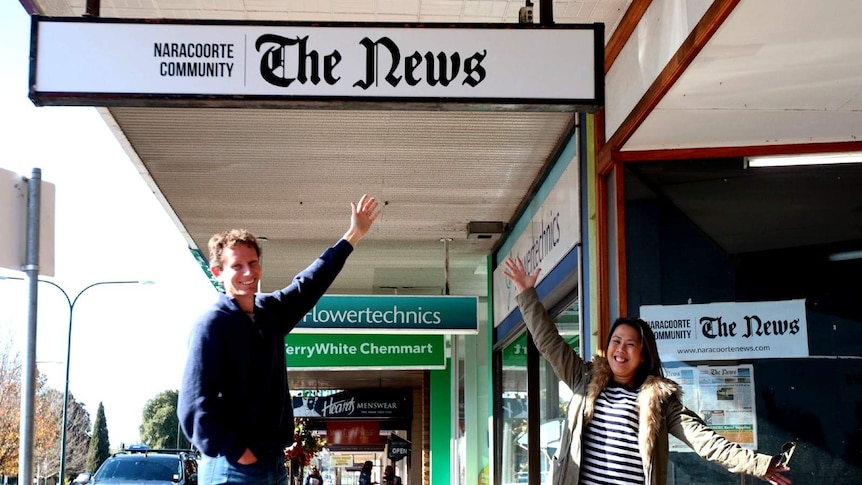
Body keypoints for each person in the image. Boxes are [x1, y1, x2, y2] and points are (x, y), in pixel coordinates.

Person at [501, 256, 793, 485]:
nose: (620, 349)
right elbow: (548, 342)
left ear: (643, 355)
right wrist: (527, 294)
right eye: (616, 341)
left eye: (631, 345)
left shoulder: (660, 401)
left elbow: (705, 441)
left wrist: (758, 465)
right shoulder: (583, 379)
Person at [178, 195, 380, 485]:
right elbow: (194, 406)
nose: (248, 272)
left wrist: (353, 235)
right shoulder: (212, 324)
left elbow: (310, 283)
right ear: (218, 273)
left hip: (273, 464)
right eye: (237, 266)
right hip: (232, 468)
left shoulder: (269, 313)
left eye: (253, 263)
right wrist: (238, 451)